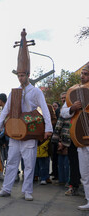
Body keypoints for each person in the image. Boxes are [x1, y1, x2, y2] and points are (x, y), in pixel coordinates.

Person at [0, 29, 53, 201]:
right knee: (11, 162)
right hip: (14, 130)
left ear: (28, 75)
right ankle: (6, 188)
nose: (20, 78)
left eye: (23, 75)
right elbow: (5, 110)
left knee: (29, 163)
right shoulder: (14, 92)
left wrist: (48, 128)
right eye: (18, 75)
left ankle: (27, 191)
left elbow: (45, 109)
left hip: (30, 130)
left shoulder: (36, 92)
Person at [59, 64, 89, 210]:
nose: (82, 76)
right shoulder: (73, 91)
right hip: (79, 137)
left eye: (86, 74)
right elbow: (63, 113)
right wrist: (72, 108)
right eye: (82, 73)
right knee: (84, 173)